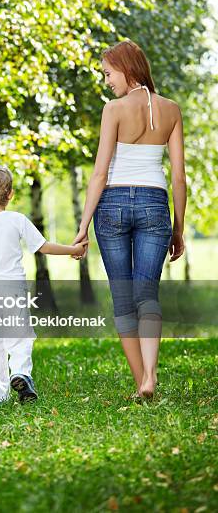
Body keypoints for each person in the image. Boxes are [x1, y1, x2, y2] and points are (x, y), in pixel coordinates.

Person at [73, 40, 186, 398]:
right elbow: (179, 177)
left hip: (113, 204)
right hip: (155, 203)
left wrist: (82, 225)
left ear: (127, 68)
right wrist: (178, 226)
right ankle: (148, 379)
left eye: (108, 73)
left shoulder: (114, 109)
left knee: (124, 298)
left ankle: (144, 382)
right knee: (146, 292)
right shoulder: (171, 110)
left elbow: (99, 174)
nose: (107, 81)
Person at [0, 164, 88, 404]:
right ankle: (20, 372)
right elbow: (43, 246)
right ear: (10, 194)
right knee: (20, 337)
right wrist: (73, 249)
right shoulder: (17, 220)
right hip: (13, 288)